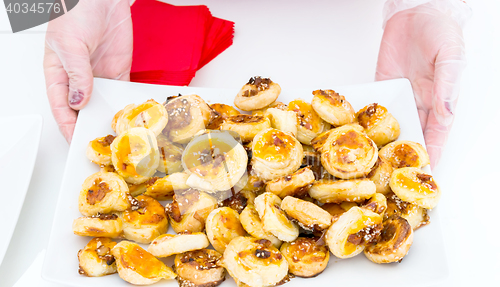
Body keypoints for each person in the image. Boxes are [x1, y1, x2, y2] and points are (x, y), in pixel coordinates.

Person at [43, 0, 471, 169]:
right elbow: (21, 6)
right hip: (135, 34)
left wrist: (431, 6)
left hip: (358, 41)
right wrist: (60, 4)